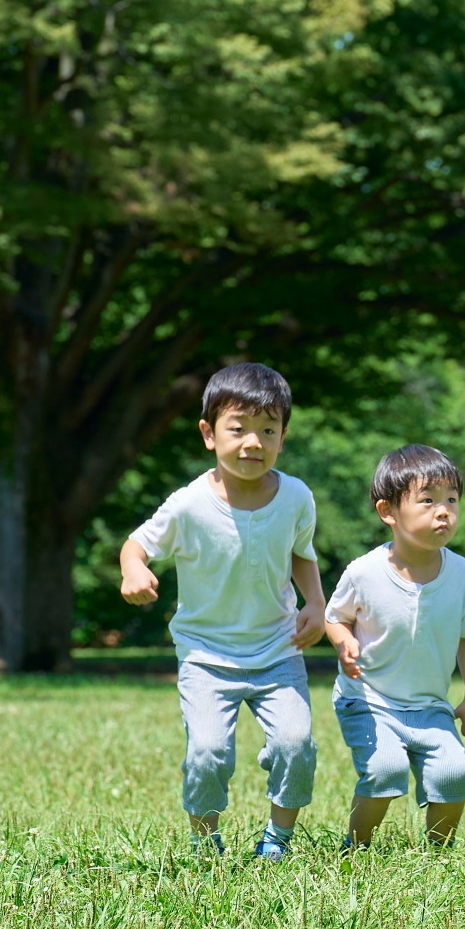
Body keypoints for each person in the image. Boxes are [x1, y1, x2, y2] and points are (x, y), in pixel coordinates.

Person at [119, 363, 324, 860]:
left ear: (283, 437)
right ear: (209, 434)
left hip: (277, 649)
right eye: (238, 429)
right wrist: (133, 570)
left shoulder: (296, 496)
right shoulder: (189, 504)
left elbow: (301, 553)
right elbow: (136, 544)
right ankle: (204, 841)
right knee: (207, 753)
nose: (253, 442)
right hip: (206, 655)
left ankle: (277, 838)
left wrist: (316, 603)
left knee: (296, 745)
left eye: (268, 430)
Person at [323, 445, 465, 850]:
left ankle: (439, 855)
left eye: (452, 499)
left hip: (430, 707)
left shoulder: (462, 573)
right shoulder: (364, 572)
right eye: (428, 500)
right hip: (370, 700)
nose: (444, 511)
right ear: (388, 512)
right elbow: (335, 616)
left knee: (453, 774)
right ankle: (356, 850)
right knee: (384, 769)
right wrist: (345, 642)